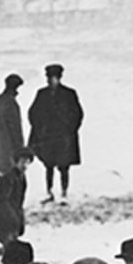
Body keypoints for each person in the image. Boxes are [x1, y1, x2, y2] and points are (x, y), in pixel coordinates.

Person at [25, 63, 83, 206]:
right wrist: (39, 128)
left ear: (59, 78)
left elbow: (77, 114)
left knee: (64, 166)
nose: (51, 81)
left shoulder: (69, 94)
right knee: (48, 165)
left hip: (64, 136)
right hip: (48, 136)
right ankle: (49, 192)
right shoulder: (42, 94)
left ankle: (63, 193)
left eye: (54, 78)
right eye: (49, 78)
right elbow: (33, 113)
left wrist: (70, 130)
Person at [0, 72, 26, 182]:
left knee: (1, 175)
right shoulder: (11, 103)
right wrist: (20, 148)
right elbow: (16, 129)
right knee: (11, 177)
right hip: (10, 147)